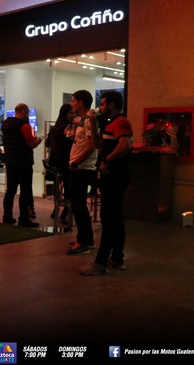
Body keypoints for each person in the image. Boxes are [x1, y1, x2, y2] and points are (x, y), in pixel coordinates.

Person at [80, 90, 133, 276]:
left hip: (115, 177)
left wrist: (107, 160)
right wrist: (93, 124)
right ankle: (117, 258)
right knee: (115, 218)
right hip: (111, 177)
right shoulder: (110, 123)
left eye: (103, 104)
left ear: (111, 105)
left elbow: (125, 144)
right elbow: (97, 145)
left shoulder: (120, 122)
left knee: (109, 218)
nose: (100, 107)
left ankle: (101, 262)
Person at [66, 90, 98, 255]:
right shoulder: (83, 121)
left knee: (79, 206)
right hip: (79, 167)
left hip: (82, 168)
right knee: (78, 205)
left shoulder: (89, 121)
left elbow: (92, 146)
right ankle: (84, 238)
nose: (72, 104)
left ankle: (84, 241)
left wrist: (76, 162)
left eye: (73, 101)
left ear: (80, 103)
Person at [1, 103, 42, 227]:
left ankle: (7, 217)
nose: (28, 115)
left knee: (10, 190)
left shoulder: (6, 125)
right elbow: (31, 144)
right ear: (23, 111)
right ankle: (23, 218)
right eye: (27, 112)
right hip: (24, 162)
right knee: (25, 191)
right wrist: (38, 141)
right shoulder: (24, 126)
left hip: (10, 162)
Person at [45, 103, 74, 221]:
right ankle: (66, 211)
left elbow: (47, 143)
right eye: (71, 113)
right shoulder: (68, 128)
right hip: (65, 162)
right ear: (65, 114)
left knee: (57, 188)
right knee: (68, 188)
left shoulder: (54, 128)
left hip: (54, 163)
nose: (73, 115)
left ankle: (56, 208)